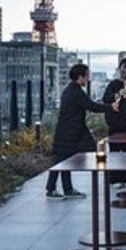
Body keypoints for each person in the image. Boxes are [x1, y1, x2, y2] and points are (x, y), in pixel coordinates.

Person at [45, 63, 119, 201]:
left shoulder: (71, 90)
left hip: (67, 130)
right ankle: (51, 190)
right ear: (80, 77)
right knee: (60, 160)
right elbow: (92, 106)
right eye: (87, 75)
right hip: (69, 132)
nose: (88, 78)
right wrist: (110, 107)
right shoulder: (76, 92)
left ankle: (66, 189)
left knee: (63, 160)